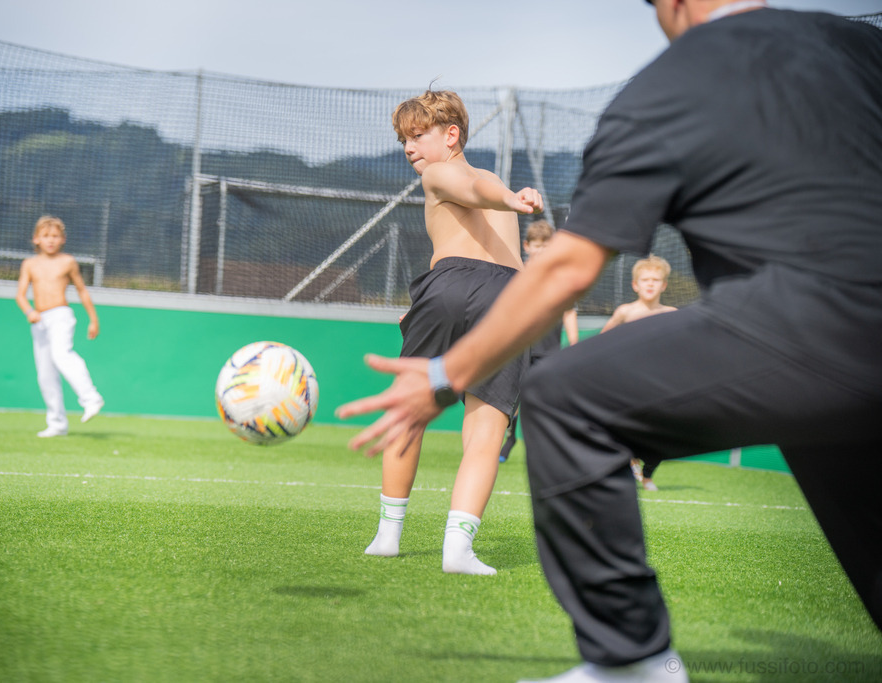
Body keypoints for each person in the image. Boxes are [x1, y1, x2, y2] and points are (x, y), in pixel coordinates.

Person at [338, 2, 882, 681]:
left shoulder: (673, 81)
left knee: (564, 393)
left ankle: (632, 662)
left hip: (811, 329)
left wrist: (447, 374)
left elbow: (568, 265)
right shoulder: (860, 43)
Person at [363, 89, 543, 576]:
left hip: (454, 285)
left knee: (410, 408)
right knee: (486, 428)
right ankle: (457, 549)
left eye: (418, 135)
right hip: (505, 297)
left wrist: (508, 198)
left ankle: (387, 536)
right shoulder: (490, 178)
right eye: (404, 139)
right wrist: (511, 195)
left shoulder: (443, 173)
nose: (409, 148)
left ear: (452, 135)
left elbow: (472, 192)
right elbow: (484, 208)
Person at [498, 219, 579, 463]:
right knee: (513, 400)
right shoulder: (516, 273)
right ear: (526, 246)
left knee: (545, 399)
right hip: (520, 348)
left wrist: (573, 343)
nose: (541, 249)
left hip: (549, 349)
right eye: (537, 245)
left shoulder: (560, 276)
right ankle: (510, 437)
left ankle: (546, 450)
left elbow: (568, 310)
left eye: (547, 245)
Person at [16, 215, 104, 437]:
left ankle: (91, 398)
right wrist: (30, 311)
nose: (51, 240)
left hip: (61, 315)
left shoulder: (68, 262)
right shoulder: (29, 264)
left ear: (63, 239)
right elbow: (20, 295)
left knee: (61, 355)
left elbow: (82, 290)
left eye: (55, 236)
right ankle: (57, 423)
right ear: (36, 239)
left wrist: (93, 319)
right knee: (45, 373)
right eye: (46, 236)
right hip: (39, 321)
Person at [601, 254, 678, 491]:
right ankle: (629, 463)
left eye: (656, 279)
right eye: (645, 279)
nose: (650, 284)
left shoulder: (671, 313)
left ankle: (647, 474)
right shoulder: (625, 311)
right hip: (626, 382)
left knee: (660, 435)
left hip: (659, 385)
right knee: (620, 429)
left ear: (664, 285)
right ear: (635, 284)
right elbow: (601, 342)